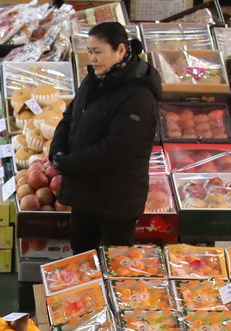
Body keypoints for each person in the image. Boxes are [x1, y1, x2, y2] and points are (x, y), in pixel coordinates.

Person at [47, 22, 161, 254]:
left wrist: (69, 165)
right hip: (85, 192)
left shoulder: (139, 95)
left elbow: (117, 148)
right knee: (81, 259)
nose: (93, 59)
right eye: (89, 52)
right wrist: (57, 150)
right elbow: (70, 117)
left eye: (98, 52)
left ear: (120, 50)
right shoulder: (94, 80)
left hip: (116, 200)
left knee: (116, 263)